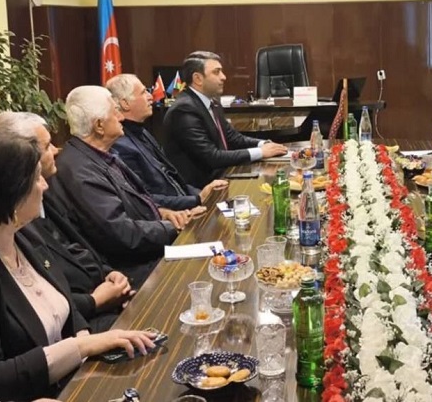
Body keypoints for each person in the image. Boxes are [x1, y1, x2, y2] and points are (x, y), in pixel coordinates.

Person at [0, 131, 157, 401]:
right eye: (36, 178)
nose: (45, 185)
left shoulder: (23, 232)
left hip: (80, 377)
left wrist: (90, 343)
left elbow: (65, 304)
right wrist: (82, 346)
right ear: (11, 193)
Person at [0, 111, 133, 333]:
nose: (56, 150)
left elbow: (77, 248)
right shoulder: (11, 222)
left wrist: (109, 274)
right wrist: (94, 302)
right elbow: (37, 302)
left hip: (95, 303)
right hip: (75, 323)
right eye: (47, 146)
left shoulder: (45, 192)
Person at [53, 86, 190, 287]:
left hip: (148, 251)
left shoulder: (101, 154)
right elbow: (122, 234)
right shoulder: (80, 171)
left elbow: (137, 200)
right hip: (131, 270)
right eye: (115, 111)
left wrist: (163, 213)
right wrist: (172, 228)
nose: (121, 117)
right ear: (99, 125)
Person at [163, 51, 288, 188]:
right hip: (199, 189)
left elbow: (232, 138)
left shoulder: (213, 103)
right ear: (198, 79)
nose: (224, 77)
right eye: (216, 72)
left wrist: (263, 144)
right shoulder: (183, 110)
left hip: (221, 178)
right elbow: (212, 157)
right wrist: (261, 152)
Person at [106, 74, 228, 212]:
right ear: (125, 103)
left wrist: (201, 194)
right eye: (143, 92)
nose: (150, 96)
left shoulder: (142, 132)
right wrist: (197, 199)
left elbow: (172, 179)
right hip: (171, 215)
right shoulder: (120, 146)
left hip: (185, 204)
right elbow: (143, 199)